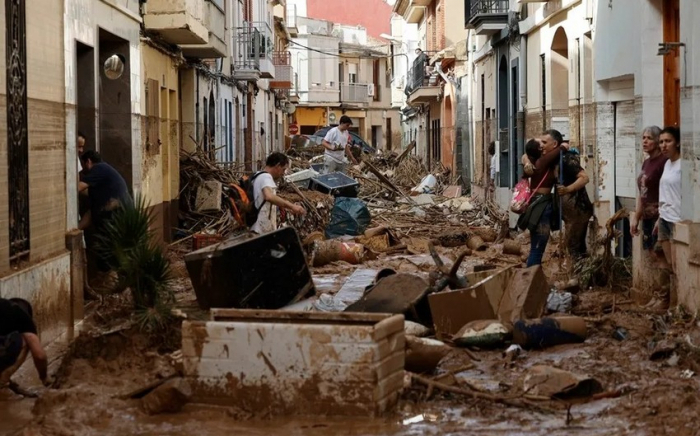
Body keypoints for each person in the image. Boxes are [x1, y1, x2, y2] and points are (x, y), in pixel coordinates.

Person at [518, 130, 565, 267]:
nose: (543, 146)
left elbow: (524, 156)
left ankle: (532, 280)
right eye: (541, 144)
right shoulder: (542, 161)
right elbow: (560, 150)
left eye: (545, 142)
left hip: (536, 204)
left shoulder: (533, 161)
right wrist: (563, 146)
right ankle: (531, 281)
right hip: (541, 206)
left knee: (536, 247)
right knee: (537, 249)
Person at [631, 126, 668, 264]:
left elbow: (667, 191)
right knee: (652, 253)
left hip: (659, 215)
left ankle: (667, 285)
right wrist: (636, 217)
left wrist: (661, 217)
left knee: (661, 254)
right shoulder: (646, 162)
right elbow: (642, 192)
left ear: (658, 141)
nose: (645, 141)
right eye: (643, 138)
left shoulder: (663, 162)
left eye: (649, 138)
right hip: (646, 215)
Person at [0, 298, 49, 394]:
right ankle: (2, 382)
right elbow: (39, 355)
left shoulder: (4, 306)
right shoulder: (22, 316)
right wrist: (44, 377)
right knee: (27, 340)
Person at [251, 152, 307, 234]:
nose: (283, 173)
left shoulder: (257, 175)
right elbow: (269, 197)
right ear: (277, 166)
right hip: (259, 230)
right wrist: (291, 206)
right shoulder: (266, 177)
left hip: (258, 227)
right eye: (283, 169)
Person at [556, 141, 593, 259]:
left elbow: (585, 178)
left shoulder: (567, 159)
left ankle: (576, 275)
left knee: (574, 247)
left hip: (578, 208)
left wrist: (568, 189)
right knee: (575, 246)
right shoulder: (552, 160)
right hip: (568, 213)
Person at [655, 126, 682, 273]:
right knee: (670, 265)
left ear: (677, 143)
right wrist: (659, 217)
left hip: (677, 219)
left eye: (668, 141)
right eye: (661, 142)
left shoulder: (683, 164)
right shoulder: (667, 163)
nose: (663, 145)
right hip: (665, 217)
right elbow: (665, 193)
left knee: (679, 264)